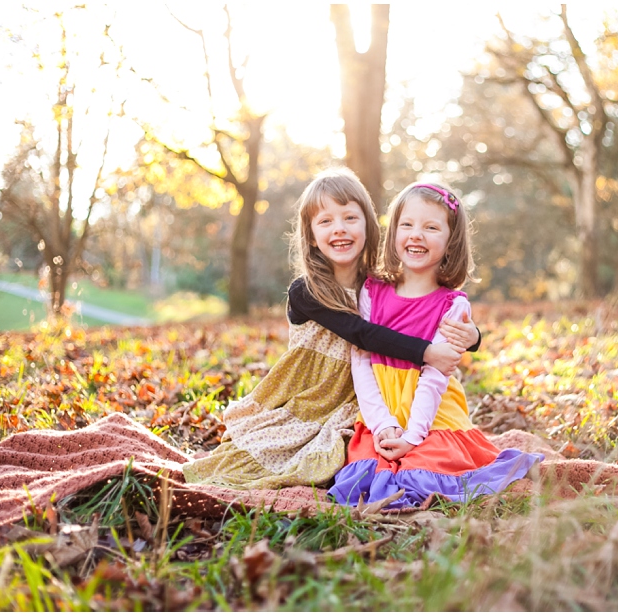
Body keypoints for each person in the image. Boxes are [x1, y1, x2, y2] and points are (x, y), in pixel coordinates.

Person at [183, 169, 480, 490]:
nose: (339, 229)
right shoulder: (307, 291)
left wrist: (473, 337)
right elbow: (362, 335)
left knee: (347, 456)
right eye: (325, 221)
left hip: (358, 397)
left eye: (350, 218)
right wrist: (427, 353)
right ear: (310, 234)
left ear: (369, 224)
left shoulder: (377, 285)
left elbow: (428, 311)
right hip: (311, 394)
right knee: (281, 456)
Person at [328, 182, 543, 509]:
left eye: (431, 227)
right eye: (407, 225)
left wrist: (412, 436)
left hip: (432, 414)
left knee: (421, 473)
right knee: (370, 474)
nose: (416, 235)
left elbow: (434, 377)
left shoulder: (452, 306)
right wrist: (384, 425)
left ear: (450, 241)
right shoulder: (371, 291)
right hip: (380, 413)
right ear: (394, 231)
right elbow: (361, 360)